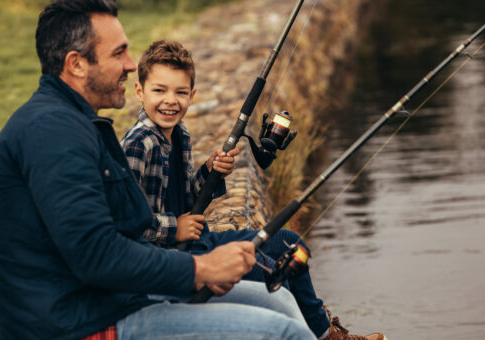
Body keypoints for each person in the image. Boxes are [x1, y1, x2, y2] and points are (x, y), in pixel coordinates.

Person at [0, 1, 318, 339]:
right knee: (284, 334)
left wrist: (194, 271)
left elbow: (122, 233)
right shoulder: (53, 132)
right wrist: (200, 267)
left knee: (283, 303)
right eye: (118, 53)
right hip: (75, 323)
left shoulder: (75, 122)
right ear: (77, 64)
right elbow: (97, 253)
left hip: (112, 297)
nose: (129, 64)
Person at [121, 40, 386, 340]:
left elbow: (187, 201)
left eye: (180, 92)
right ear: (140, 92)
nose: (170, 100)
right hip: (169, 259)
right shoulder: (137, 145)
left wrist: (208, 172)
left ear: (192, 96)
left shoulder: (179, 133)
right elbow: (126, 224)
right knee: (268, 271)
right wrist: (174, 229)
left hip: (199, 241)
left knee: (290, 243)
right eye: (159, 90)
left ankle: (327, 335)